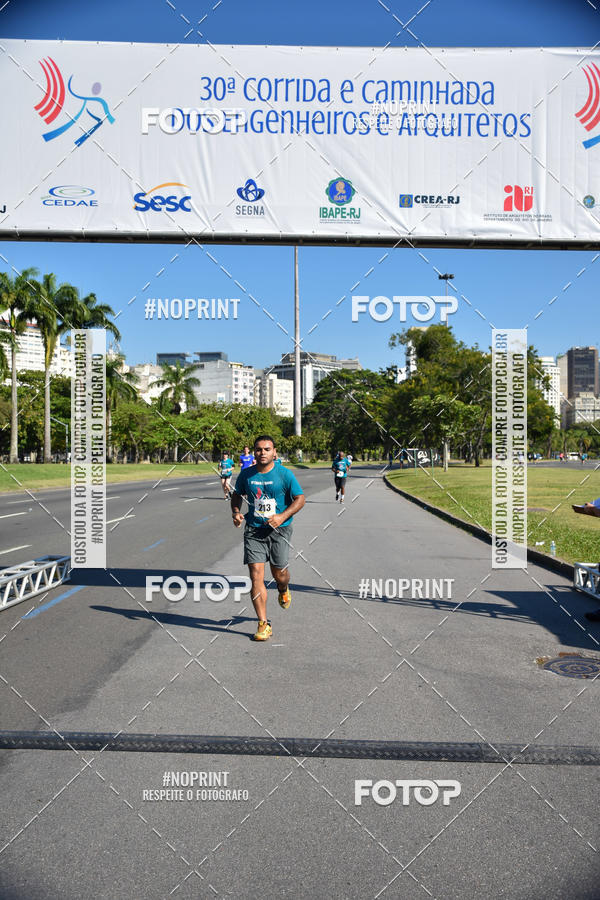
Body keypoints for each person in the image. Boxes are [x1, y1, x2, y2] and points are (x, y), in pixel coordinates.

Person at [231, 435, 305, 641]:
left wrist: (282, 516)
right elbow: (237, 494)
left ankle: (283, 588)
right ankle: (263, 624)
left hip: (280, 531)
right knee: (256, 575)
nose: (262, 453)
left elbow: (300, 499)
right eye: (258, 449)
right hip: (254, 530)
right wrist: (236, 512)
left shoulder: (285, 474)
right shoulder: (246, 475)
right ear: (254, 452)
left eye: (266, 449)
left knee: (279, 573)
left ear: (274, 452)